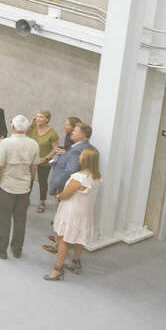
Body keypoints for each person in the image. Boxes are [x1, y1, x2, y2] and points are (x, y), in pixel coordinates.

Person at [45, 146, 101, 281]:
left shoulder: (78, 178)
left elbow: (65, 195)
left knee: (64, 240)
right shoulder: (96, 177)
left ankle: (57, 270)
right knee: (79, 239)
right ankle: (76, 262)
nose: (79, 157)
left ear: (85, 160)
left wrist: (59, 195)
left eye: (82, 156)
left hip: (71, 212)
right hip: (84, 213)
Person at [0, 115, 39, 260]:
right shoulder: (34, 144)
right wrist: (29, 182)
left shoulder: (6, 143)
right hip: (24, 188)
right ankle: (17, 249)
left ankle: (1, 250)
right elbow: (34, 167)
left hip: (6, 187)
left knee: (3, 219)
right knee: (20, 219)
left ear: (13, 127)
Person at [45, 122, 93, 252]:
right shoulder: (87, 147)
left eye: (75, 131)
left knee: (63, 222)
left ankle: (58, 248)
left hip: (67, 189)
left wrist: (58, 189)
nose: (71, 132)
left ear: (82, 136)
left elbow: (69, 171)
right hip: (78, 194)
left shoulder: (77, 150)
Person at [27, 110, 59, 212]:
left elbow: (55, 149)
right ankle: (25, 199)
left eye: (41, 117)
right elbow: (23, 135)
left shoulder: (52, 133)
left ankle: (42, 202)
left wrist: (45, 158)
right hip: (31, 160)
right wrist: (30, 125)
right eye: (37, 116)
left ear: (47, 120)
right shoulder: (32, 128)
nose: (37, 119)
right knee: (29, 180)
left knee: (42, 181)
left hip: (44, 161)